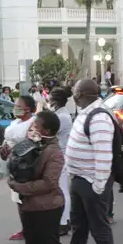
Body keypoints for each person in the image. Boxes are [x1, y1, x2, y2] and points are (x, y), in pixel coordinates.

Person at [63, 79, 117, 244]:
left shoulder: (99, 117)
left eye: (75, 92)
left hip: (92, 181)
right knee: (79, 226)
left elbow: (104, 155)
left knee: (99, 228)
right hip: (79, 178)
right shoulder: (85, 113)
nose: (73, 96)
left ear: (83, 94)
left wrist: (98, 186)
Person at [9, 111, 67, 244]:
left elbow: (49, 183)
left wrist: (20, 187)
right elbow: (17, 163)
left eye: (36, 125)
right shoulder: (33, 144)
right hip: (29, 205)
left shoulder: (54, 152)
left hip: (48, 206)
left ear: (47, 131)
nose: (32, 128)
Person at [0, 95, 37, 242]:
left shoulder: (34, 123)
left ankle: (33, 230)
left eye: (18, 106)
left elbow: (33, 143)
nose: (15, 108)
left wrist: (12, 150)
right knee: (18, 199)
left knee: (28, 200)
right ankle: (25, 229)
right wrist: (3, 148)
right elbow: (8, 139)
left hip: (26, 165)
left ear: (28, 109)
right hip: (13, 164)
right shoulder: (15, 122)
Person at [49, 87, 73, 235]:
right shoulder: (59, 114)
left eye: (50, 99)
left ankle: (64, 222)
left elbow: (48, 132)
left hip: (61, 156)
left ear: (55, 102)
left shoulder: (62, 117)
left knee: (62, 189)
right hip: (58, 155)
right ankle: (62, 220)